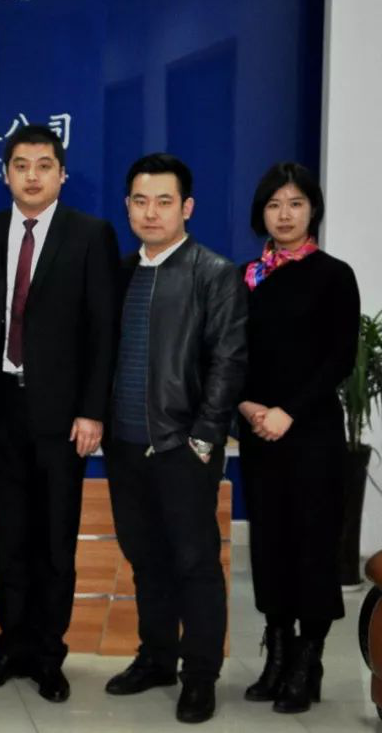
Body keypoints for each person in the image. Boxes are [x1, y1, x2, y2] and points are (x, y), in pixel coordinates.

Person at [0, 125, 119, 702]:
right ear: (6, 173)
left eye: (43, 165)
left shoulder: (90, 235)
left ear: (61, 173)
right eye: (21, 165)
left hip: (61, 415)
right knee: (6, 540)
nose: (32, 176)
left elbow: (103, 330)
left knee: (55, 542)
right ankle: (11, 646)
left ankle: (49, 656)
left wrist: (92, 411)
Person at [103, 153, 247, 724]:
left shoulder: (214, 273)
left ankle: (200, 675)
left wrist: (204, 439)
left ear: (186, 207)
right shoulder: (120, 273)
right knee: (145, 559)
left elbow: (229, 362)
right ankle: (157, 658)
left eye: (164, 202)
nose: (151, 212)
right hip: (124, 446)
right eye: (140, 201)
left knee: (195, 563)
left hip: (182, 446)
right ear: (127, 207)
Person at [237, 163, 359, 714]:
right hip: (258, 430)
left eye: (295, 204)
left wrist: (288, 411)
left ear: (313, 210)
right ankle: (278, 651)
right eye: (274, 205)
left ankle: (309, 661)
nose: (284, 215)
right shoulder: (247, 276)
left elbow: (339, 358)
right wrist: (247, 406)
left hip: (310, 432)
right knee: (270, 545)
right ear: (260, 213)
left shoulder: (334, 275)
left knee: (312, 544)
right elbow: (230, 351)